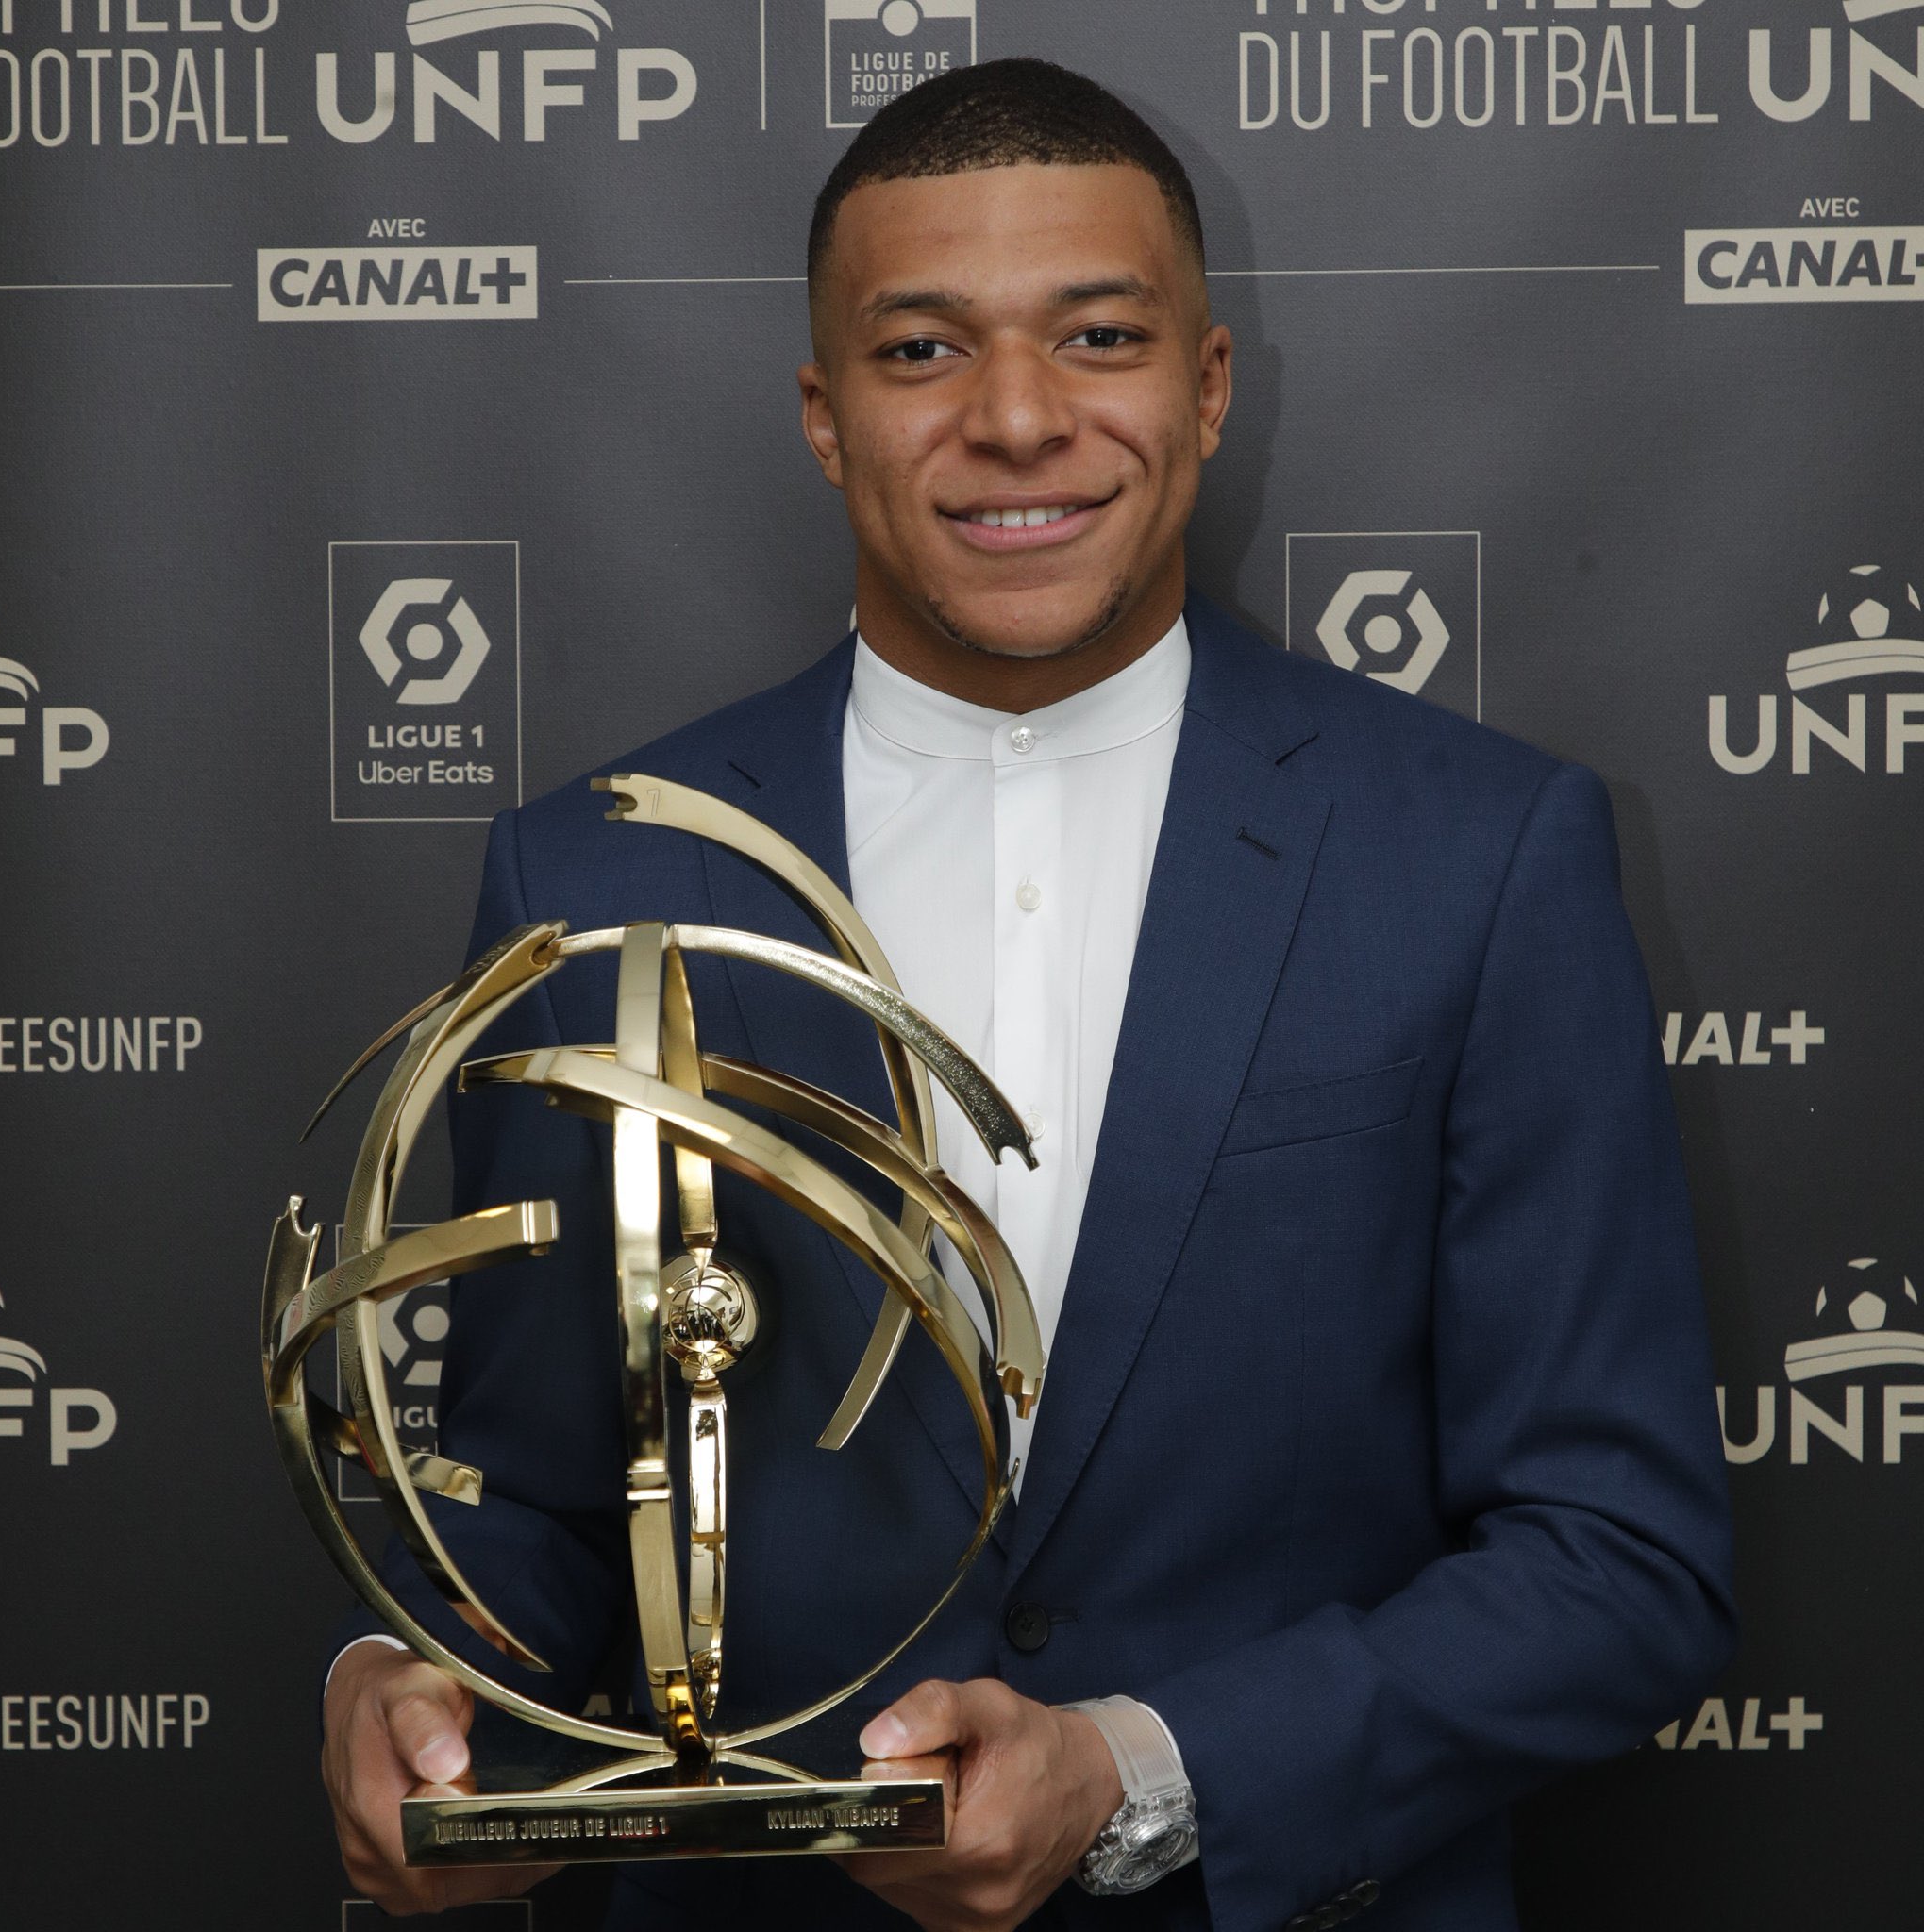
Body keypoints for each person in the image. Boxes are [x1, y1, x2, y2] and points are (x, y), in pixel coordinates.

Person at [320, 58, 1735, 1932]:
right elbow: (535, 1497)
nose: (1015, 419)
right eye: (922, 351)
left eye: (1097, 338)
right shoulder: (591, 876)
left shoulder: (1479, 857)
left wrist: (1143, 1767)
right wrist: (415, 1683)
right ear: (825, 418)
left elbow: (1620, 1562)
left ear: (1206, 387)